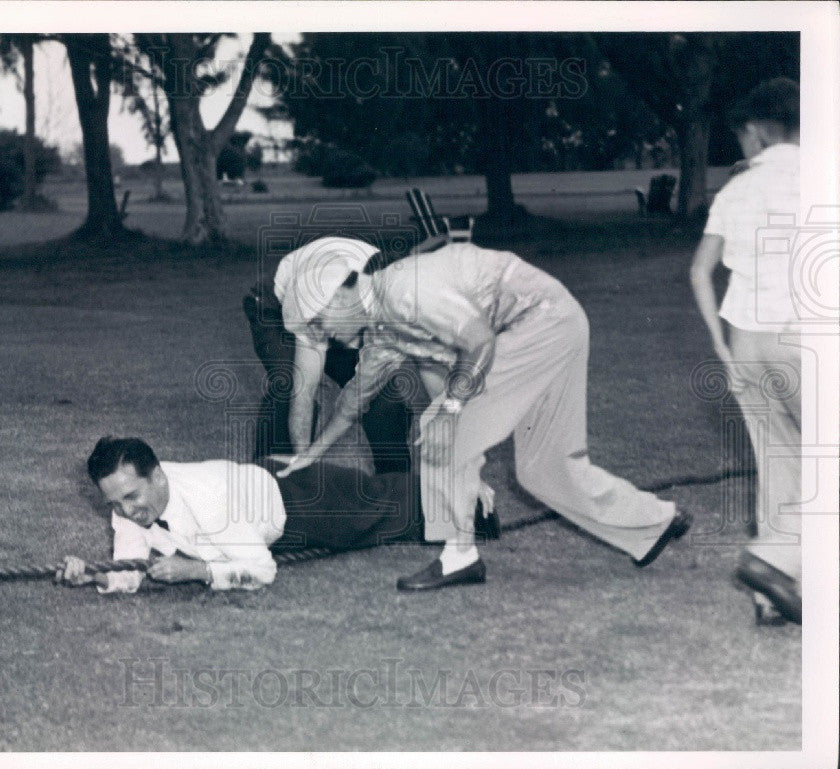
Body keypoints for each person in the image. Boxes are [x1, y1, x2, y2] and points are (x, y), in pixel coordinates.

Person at [274, 240, 692, 591]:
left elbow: (479, 340)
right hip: (560, 323)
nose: (322, 334)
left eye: (319, 320)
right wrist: (310, 455)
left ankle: (459, 556)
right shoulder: (382, 330)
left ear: (342, 293)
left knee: (442, 426)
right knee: (543, 470)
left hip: (539, 321)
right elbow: (353, 401)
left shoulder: (403, 289)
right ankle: (653, 522)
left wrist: (453, 408)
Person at [244, 233, 500, 537]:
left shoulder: (397, 302)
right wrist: (305, 463)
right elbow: (304, 393)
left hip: (344, 310)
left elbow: (440, 390)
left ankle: (401, 496)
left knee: (385, 402)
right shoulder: (315, 308)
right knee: (287, 388)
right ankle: (268, 494)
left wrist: (469, 470)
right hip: (274, 306)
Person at [689, 77, 801, 625]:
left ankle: (770, 597)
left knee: (777, 464)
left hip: (746, 341)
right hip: (806, 336)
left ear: (757, 132)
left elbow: (699, 272)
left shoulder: (738, 187)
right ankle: (772, 560)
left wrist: (721, 348)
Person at [56, 436, 422, 593]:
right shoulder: (126, 506)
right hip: (252, 495)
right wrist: (95, 577)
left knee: (399, 510)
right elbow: (129, 571)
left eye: (132, 496)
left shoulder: (208, 498)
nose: (126, 512)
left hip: (301, 500)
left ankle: (473, 501)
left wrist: (197, 571)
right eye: (115, 504)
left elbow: (263, 571)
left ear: (158, 476)